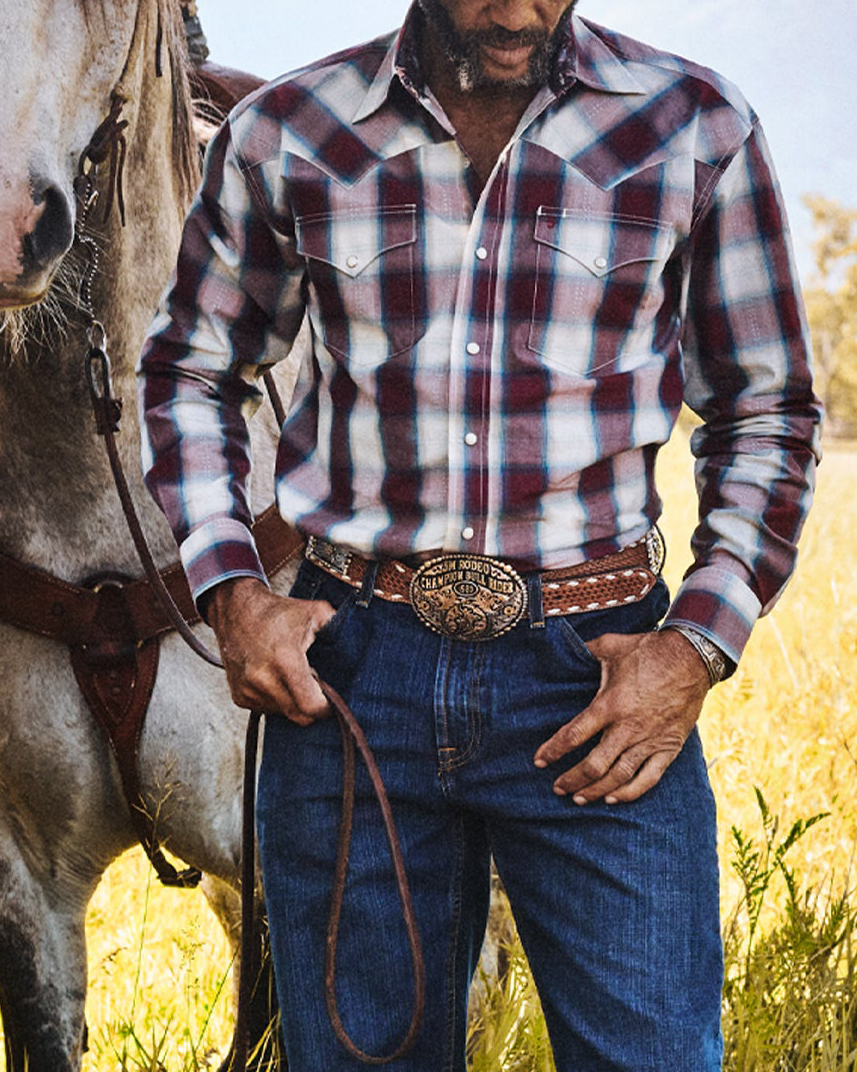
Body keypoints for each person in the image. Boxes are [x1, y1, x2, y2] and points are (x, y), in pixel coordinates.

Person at [138, 1, 821, 1068]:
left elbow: (765, 409)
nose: (513, 10)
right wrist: (230, 590)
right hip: (348, 674)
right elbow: (190, 370)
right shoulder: (288, 131)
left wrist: (693, 646)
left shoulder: (693, 125)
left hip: (594, 680)